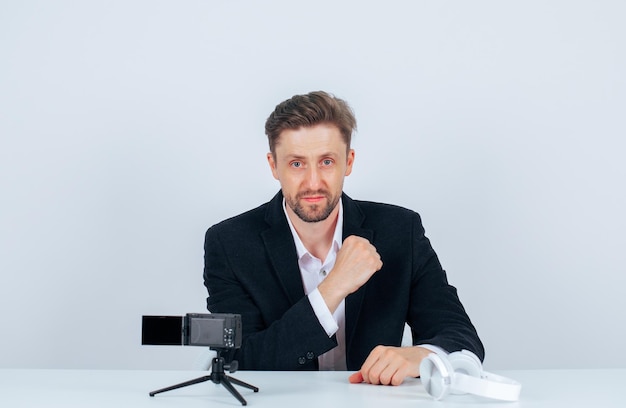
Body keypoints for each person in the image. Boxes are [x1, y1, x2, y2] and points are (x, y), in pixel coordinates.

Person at [203, 91, 484, 386]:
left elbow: (462, 338)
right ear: (274, 166)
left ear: (348, 162)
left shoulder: (401, 230)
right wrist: (333, 287)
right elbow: (238, 361)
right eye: (297, 164)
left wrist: (424, 355)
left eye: (326, 161)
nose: (313, 182)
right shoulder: (229, 243)